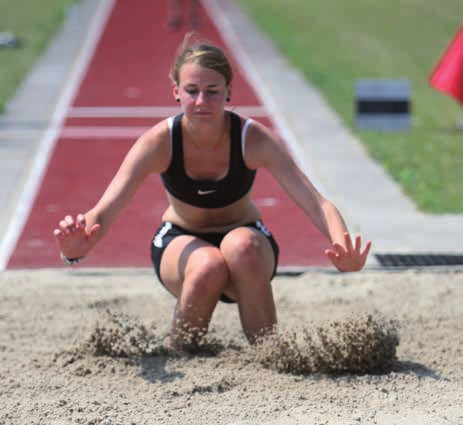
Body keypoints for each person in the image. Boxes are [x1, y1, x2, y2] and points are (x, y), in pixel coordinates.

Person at [53, 33, 371, 350]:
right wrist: (75, 247)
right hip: (180, 243)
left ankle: (272, 353)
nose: (202, 101)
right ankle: (180, 348)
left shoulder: (252, 139)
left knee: (241, 246)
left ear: (229, 92)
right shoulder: (158, 142)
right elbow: (106, 209)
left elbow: (317, 203)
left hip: (247, 244)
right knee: (208, 264)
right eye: (192, 91)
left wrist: (343, 246)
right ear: (176, 92)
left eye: (212, 91)